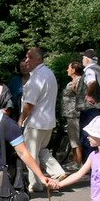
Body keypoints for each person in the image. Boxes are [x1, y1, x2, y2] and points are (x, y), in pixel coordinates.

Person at [18, 48, 64, 192]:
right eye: (26, 57)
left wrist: (20, 120)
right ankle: (57, 171)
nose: (26, 60)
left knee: (31, 153)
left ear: (38, 59)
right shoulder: (49, 73)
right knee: (42, 150)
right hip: (48, 120)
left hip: (35, 122)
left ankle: (36, 184)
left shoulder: (37, 77)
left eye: (29, 57)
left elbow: (29, 104)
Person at [60, 61, 85, 168]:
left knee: (76, 140)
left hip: (74, 114)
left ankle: (78, 163)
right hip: (71, 114)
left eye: (69, 68)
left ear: (74, 70)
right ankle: (76, 161)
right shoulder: (73, 81)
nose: (67, 70)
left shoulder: (79, 81)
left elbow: (80, 94)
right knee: (73, 139)